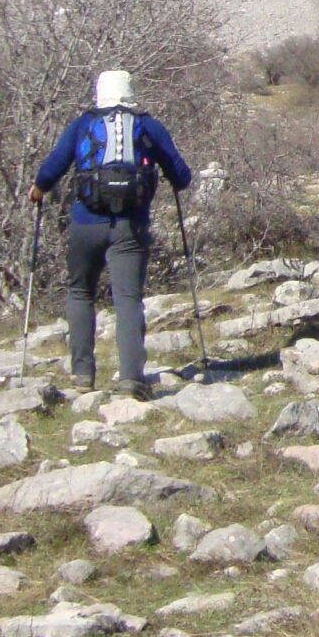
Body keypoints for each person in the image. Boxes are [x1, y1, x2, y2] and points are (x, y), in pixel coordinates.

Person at [30, 69, 192, 395]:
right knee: (128, 299)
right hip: (130, 227)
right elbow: (182, 175)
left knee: (80, 292)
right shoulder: (147, 126)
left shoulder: (82, 124)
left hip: (86, 222)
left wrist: (38, 188)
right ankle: (131, 378)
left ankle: (82, 376)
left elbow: (54, 165)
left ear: (99, 93)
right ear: (130, 93)